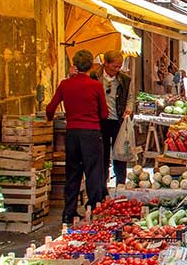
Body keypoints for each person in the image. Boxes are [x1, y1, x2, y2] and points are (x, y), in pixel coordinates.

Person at [46, 50, 108, 224]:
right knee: (93, 172)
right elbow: (104, 113)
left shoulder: (65, 84)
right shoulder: (95, 85)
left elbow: (50, 108)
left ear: (75, 65)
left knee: (72, 173)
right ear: (91, 65)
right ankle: (94, 208)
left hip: (72, 133)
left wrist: (50, 119)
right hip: (91, 133)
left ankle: (69, 211)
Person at [90, 50, 135, 188]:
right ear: (105, 63)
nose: (117, 69)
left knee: (120, 153)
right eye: (114, 66)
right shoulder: (94, 77)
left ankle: (120, 184)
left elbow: (131, 97)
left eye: (119, 66)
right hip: (100, 121)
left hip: (118, 121)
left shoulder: (124, 79)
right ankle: (102, 185)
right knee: (102, 154)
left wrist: (129, 109)